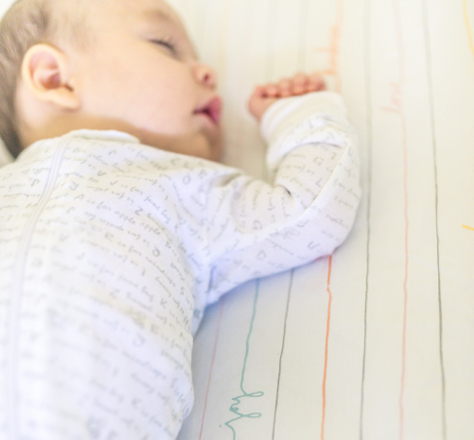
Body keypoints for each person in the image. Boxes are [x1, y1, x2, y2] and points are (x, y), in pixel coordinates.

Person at [0, 0, 361, 438]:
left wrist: (300, 117)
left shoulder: (186, 188)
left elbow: (305, 213)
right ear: (54, 78)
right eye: (166, 45)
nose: (208, 71)